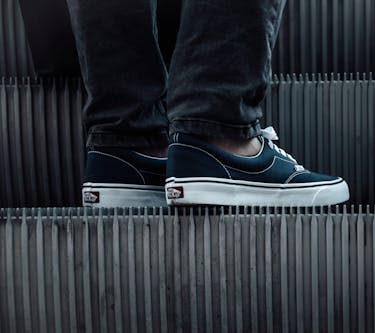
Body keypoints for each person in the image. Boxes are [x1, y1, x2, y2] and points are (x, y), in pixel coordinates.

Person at [68, 0, 349, 207]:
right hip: (213, 126)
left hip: (118, 150)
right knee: (211, 122)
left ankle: (131, 147)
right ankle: (218, 134)